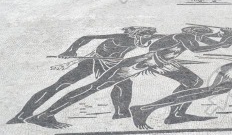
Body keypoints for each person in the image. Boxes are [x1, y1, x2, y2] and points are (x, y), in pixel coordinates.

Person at [25, 26, 232, 129]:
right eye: (202, 33)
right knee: (93, 88)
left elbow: (207, 41)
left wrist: (223, 38)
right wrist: (223, 40)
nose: (204, 35)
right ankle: (45, 115)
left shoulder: (183, 37)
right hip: (139, 64)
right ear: (195, 33)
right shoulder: (184, 37)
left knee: (194, 82)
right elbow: (198, 49)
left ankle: (176, 114)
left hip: (161, 64)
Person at [7, 27, 158, 124]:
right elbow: (86, 37)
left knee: (125, 83)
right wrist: (70, 51)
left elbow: (164, 37)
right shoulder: (121, 38)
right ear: (136, 35)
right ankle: (23, 115)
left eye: (149, 36)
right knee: (61, 84)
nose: (147, 39)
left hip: (110, 62)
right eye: (144, 36)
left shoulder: (145, 38)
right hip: (95, 60)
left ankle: (120, 113)